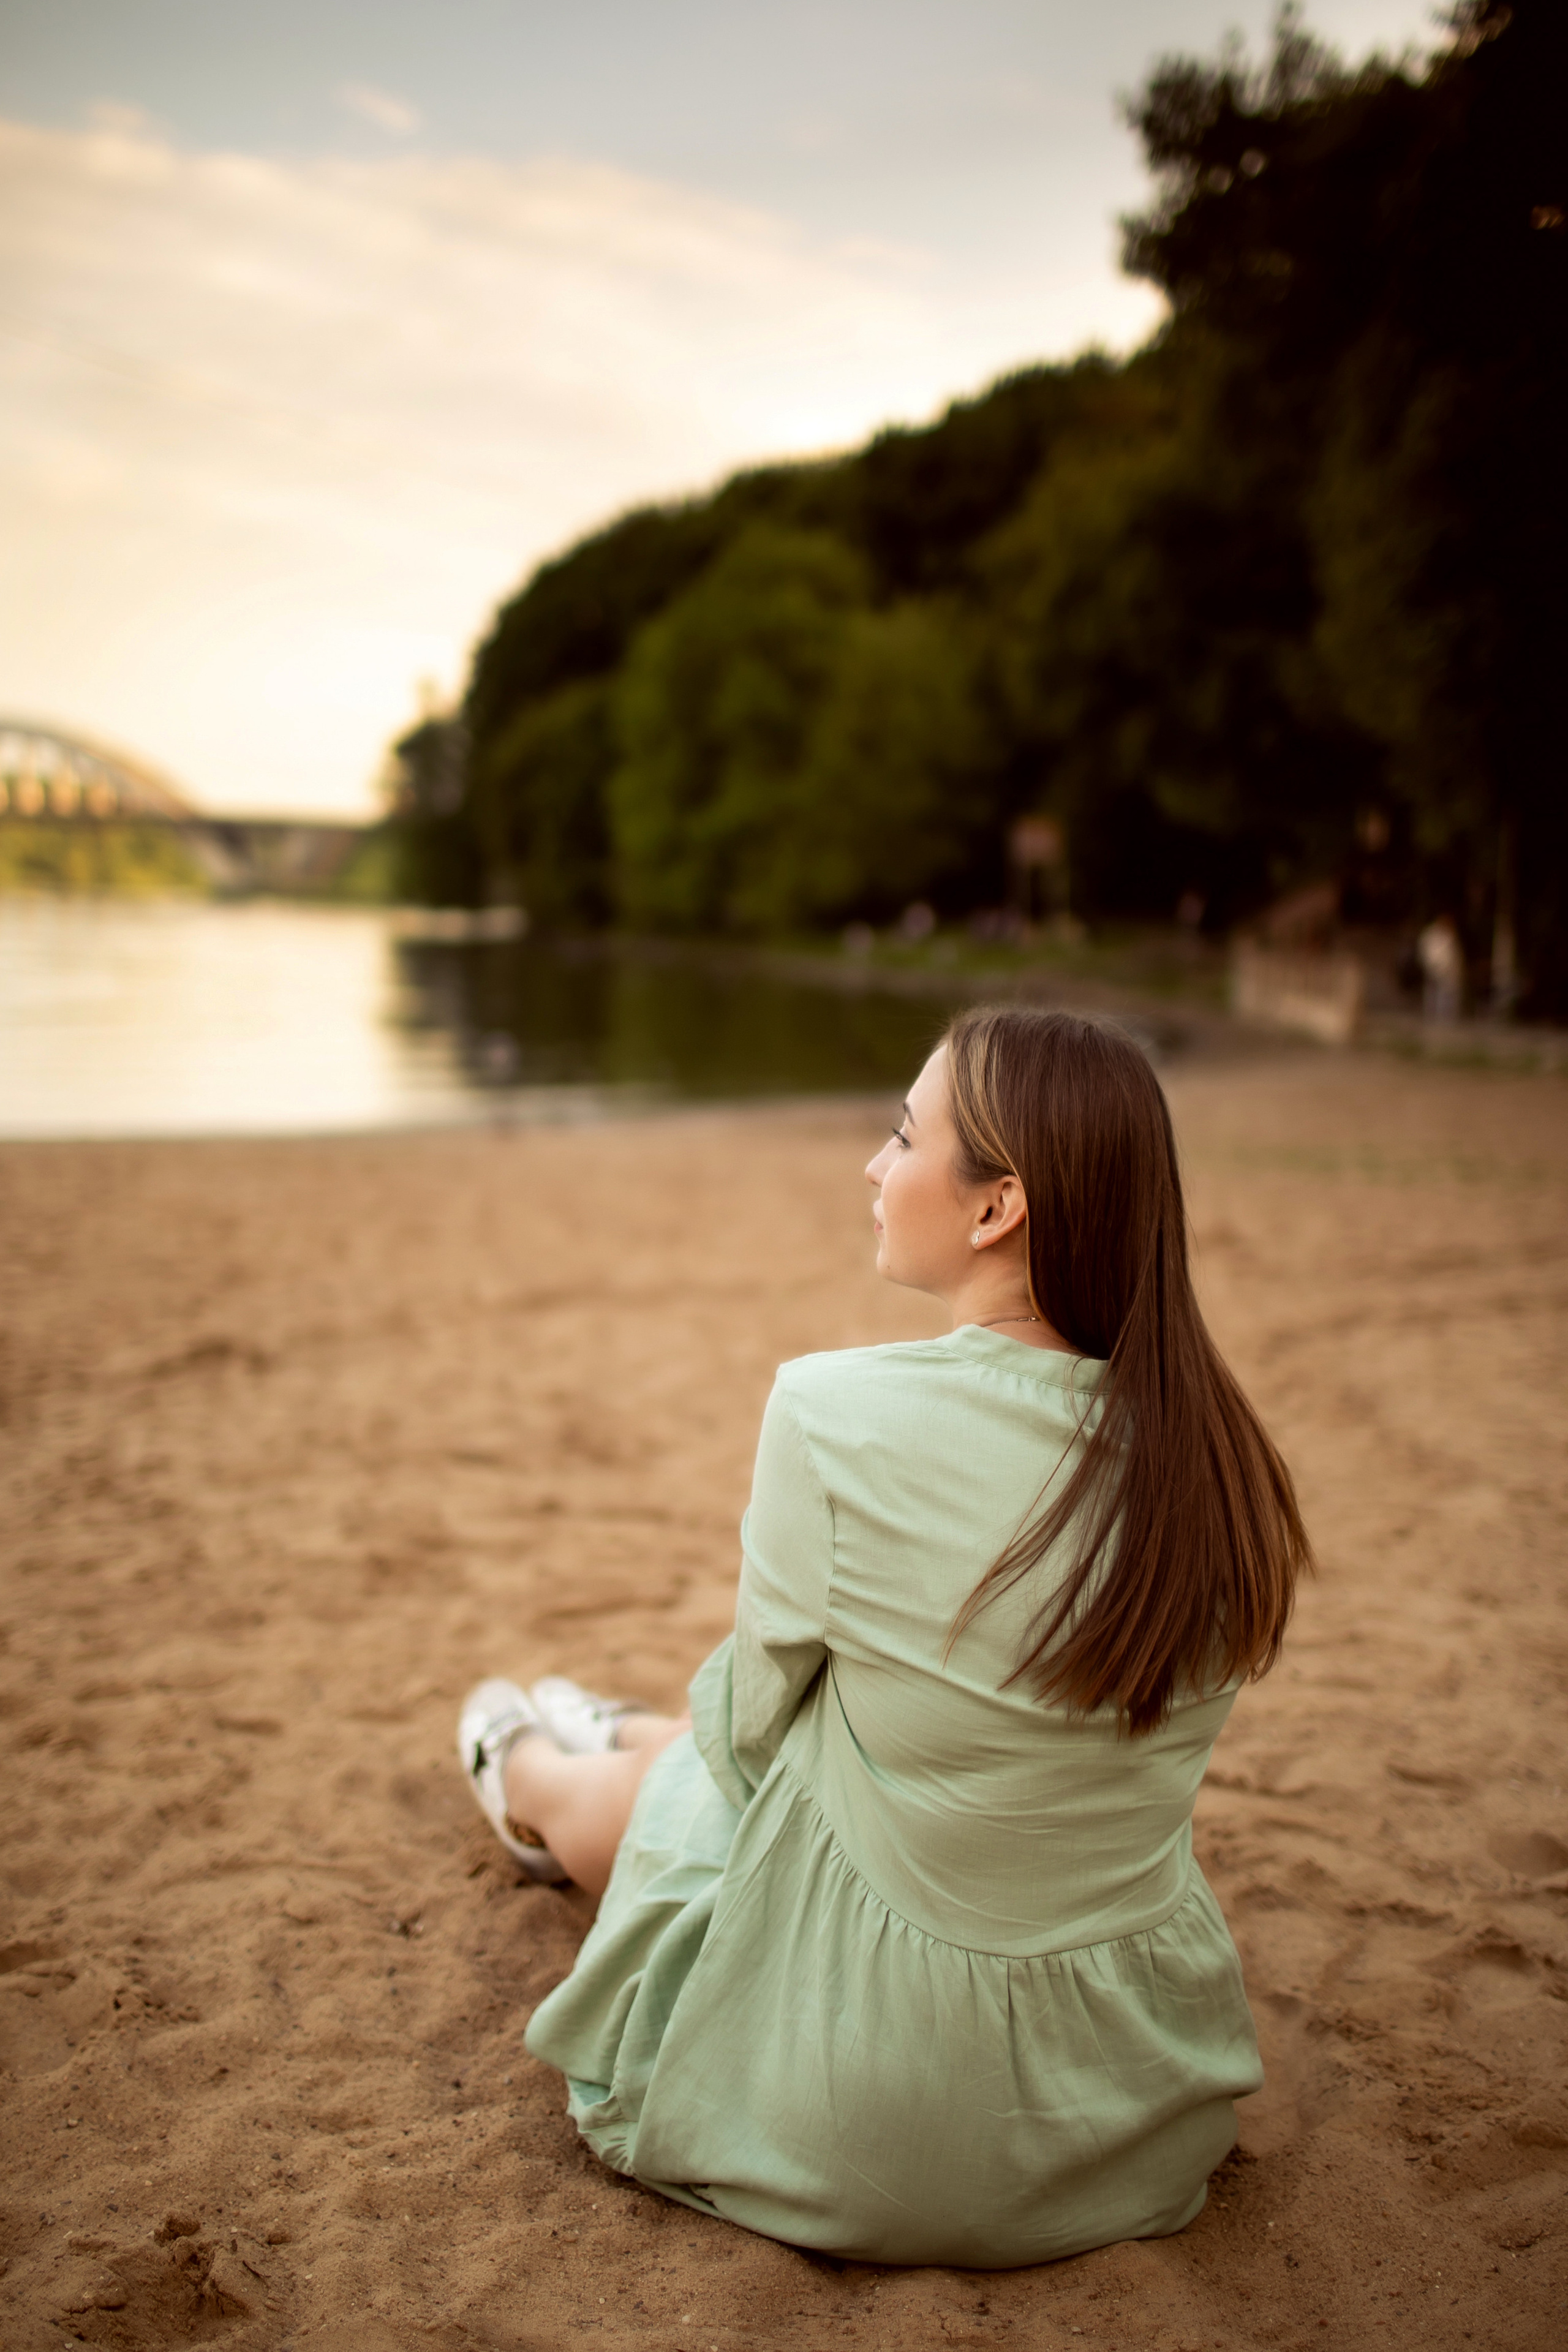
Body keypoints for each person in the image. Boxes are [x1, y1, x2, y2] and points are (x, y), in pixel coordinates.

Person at [458, 1006, 1310, 2267]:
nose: (873, 1165)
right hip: (1117, 2107)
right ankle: (606, 1731)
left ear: (993, 1210)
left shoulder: (829, 1410)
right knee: (799, 1753)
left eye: (902, 1136)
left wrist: (706, 1755)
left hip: (869, 2105)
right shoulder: (1222, 1464)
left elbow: (750, 1739)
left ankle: (520, 1766)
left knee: (693, 1798)